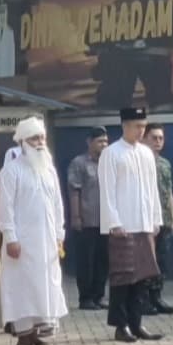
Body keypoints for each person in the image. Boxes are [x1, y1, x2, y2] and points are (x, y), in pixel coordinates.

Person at [0, 116, 69, 345]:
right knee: (23, 286)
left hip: (47, 242)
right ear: (22, 142)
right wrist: (11, 238)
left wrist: (60, 234)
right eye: (34, 138)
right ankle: (24, 336)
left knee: (45, 285)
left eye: (42, 137)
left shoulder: (49, 171)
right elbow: (4, 208)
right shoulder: (11, 171)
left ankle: (38, 333)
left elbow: (58, 205)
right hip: (22, 243)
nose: (39, 142)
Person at [99, 107, 164, 343]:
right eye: (137, 126)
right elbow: (106, 191)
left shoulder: (146, 154)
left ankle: (137, 323)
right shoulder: (112, 153)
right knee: (123, 278)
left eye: (143, 126)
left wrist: (156, 219)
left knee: (143, 276)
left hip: (144, 223)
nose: (141, 131)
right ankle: (120, 325)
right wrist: (113, 222)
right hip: (123, 225)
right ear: (125, 125)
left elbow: (152, 190)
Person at [67, 127, 109, 310]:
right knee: (86, 261)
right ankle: (85, 298)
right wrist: (76, 216)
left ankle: (99, 296)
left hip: (106, 221)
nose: (104, 145)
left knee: (103, 260)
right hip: (86, 221)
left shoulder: (108, 163)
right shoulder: (79, 163)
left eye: (106, 141)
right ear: (89, 142)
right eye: (100, 141)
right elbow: (74, 191)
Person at [141, 123, 173, 315]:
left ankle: (157, 297)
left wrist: (172, 218)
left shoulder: (165, 164)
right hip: (146, 220)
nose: (157, 142)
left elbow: (169, 192)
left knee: (162, 260)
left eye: (160, 138)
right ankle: (144, 299)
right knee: (147, 260)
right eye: (153, 138)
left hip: (163, 218)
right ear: (144, 138)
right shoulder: (139, 162)